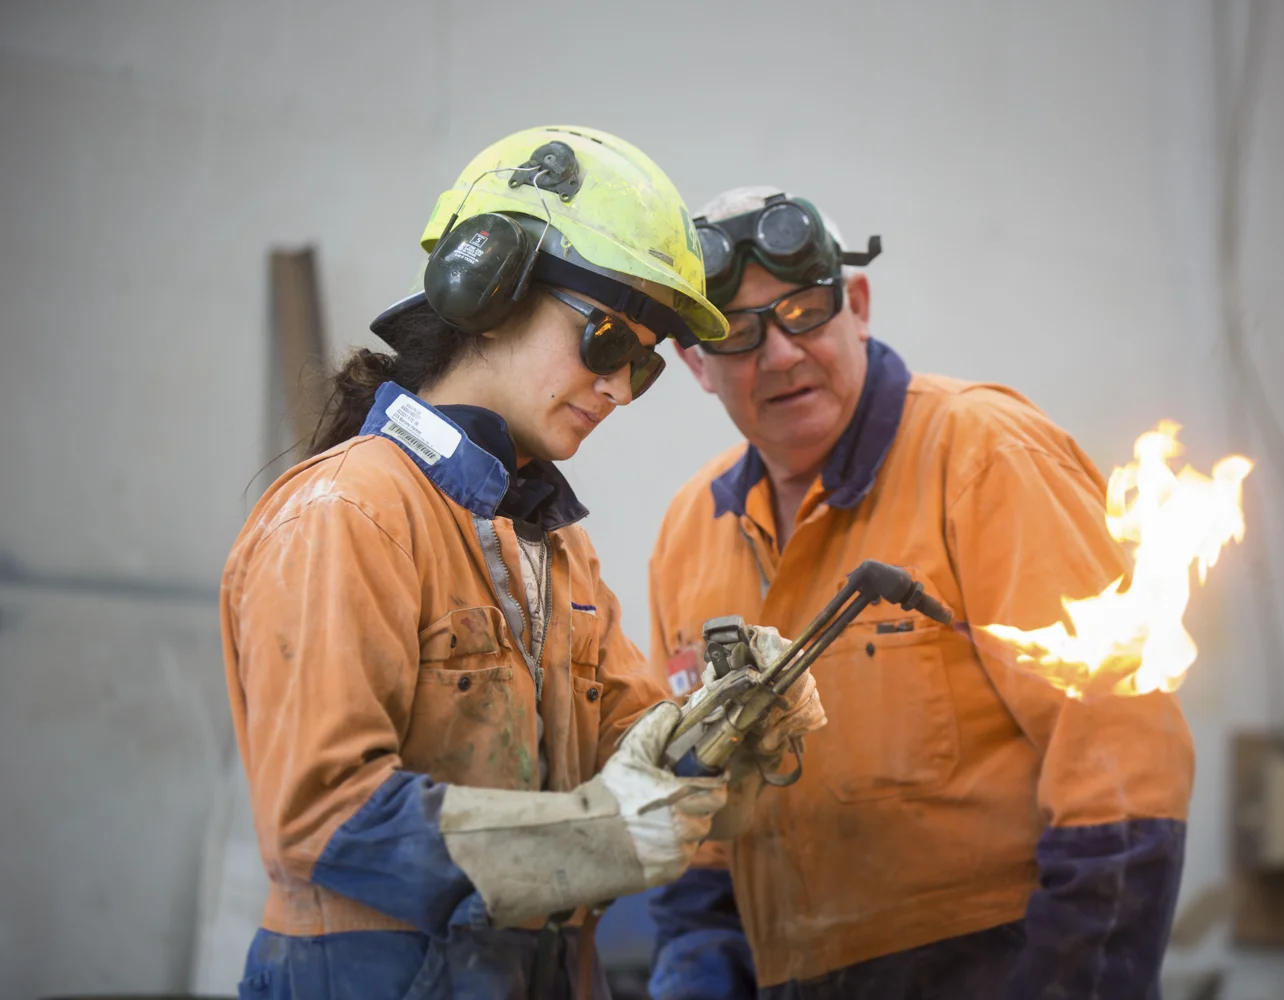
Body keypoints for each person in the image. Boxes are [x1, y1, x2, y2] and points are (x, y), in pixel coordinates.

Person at [220, 130, 822, 1000]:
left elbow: (635, 779)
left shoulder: (552, 543)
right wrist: (590, 838)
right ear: (488, 282)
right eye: (609, 340)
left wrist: (728, 732)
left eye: (645, 365)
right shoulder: (348, 515)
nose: (620, 389)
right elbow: (323, 818)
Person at [646, 187, 1196, 999]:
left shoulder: (984, 457)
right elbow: (696, 809)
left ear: (857, 304)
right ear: (696, 363)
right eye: (737, 333)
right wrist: (698, 963)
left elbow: (1119, 754)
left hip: (998, 966)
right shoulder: (691, 530)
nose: (784, 354)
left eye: (805, 310)